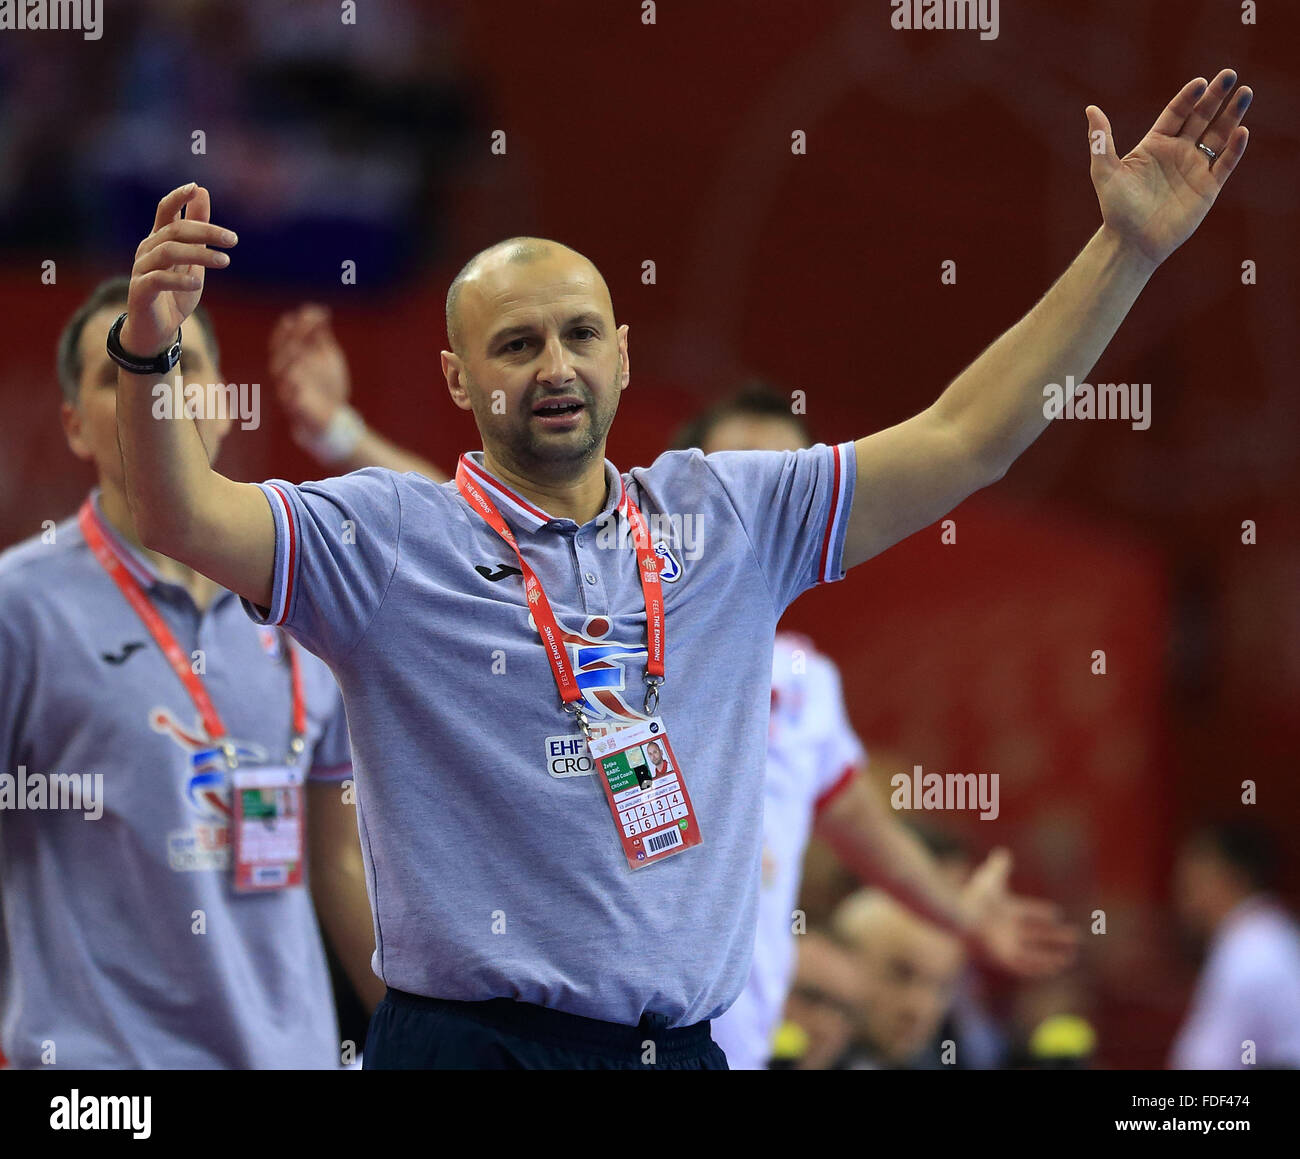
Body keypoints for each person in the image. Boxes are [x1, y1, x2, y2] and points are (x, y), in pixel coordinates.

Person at [108, 71, 1252, 1069]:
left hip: (681, 1053)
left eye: (578, 333)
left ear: (621, 354)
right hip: (468, 1048)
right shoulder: (386, 539)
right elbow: (176, 508)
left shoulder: (728, 515)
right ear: (457, 381)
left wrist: (1125, 251)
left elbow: (967, 436)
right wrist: (149, 346)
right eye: (515, 344)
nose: (554, 364)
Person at [0, 277, 380, 1069]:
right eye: (123, 369)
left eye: (183, 362)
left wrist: (433, 1036)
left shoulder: (303, 590)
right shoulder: (21, 607)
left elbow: (339, 859)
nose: (158, 387)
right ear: (72, 424)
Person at [1169, 824, 1300, 1069]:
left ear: (1230, 876)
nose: (1180, 885)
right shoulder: (1264, 934)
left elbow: (1205, 1064)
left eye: (1193, 870)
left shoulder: (1251, 952)